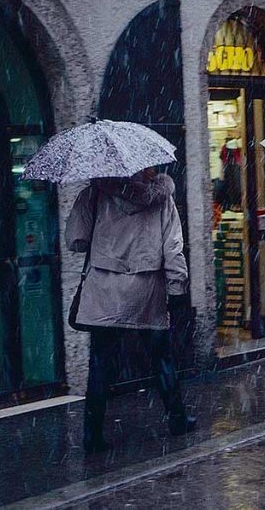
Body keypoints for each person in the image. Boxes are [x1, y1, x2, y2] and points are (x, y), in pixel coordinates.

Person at [65, 167, 195, 452]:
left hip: (104, 290)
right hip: (146, 291)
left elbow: (76, 241)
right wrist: (177, 289)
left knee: (99, 363)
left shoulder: (95, 194)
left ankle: (93, 434)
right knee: (162, 357)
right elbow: (173, 249)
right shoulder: (162, 199)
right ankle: (177, 419)